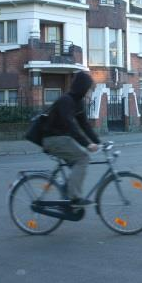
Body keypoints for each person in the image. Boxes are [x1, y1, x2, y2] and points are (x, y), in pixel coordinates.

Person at [42, 71, 100, 207]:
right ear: (83, 88)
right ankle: (74, 198)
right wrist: (87, 144)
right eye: (89, 90)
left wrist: (98, 142)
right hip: (53, 139)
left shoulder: (77, 102)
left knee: (78, 162)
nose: (90, 94)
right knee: (83, 158)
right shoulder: (66, 101)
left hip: (61, 138)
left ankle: (68, 191)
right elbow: (71, 127)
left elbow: (84, 124)